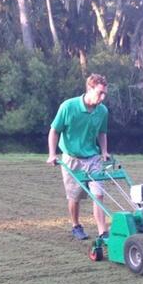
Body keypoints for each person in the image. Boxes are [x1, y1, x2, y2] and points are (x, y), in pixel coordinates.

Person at [47, 74, 110, 240]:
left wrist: (104, 151)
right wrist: (52, 154)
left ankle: (103, 232)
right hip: (72, 158)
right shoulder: (68, 106)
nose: (102, 98)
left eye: (105, 94)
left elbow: (102, 132)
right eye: (100, 93)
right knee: (74, 196)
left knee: (98, 194)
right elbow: (54, 131)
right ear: (89, 89)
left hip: (93, 157)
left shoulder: (102, 111)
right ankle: (76, 225)